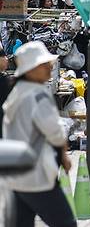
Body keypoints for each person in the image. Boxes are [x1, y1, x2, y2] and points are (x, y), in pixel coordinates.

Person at [2, 42, 76, 227]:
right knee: (65, 223)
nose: (50, 68)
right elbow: (56, 133)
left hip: (14, 175)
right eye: (45, 65)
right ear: (31, 69)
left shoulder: (16, 93)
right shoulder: (38, 95)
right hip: (37, 175)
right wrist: (65, 155)